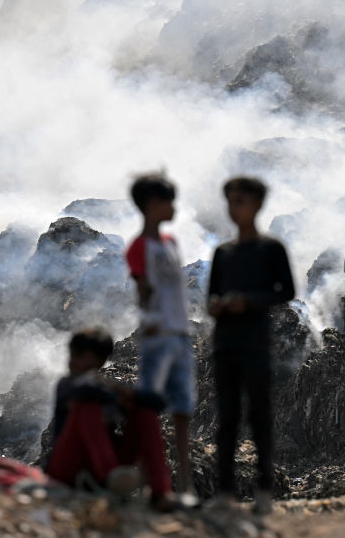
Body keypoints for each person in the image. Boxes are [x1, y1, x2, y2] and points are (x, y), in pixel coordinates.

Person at [207, 176, 295, 515]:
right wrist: (218, 306)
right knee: (227, 418)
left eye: (240, 201)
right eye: (230, 201)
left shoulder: (271, 249)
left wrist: (250, 302)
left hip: (256, 342)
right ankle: (225, 493)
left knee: (260, 416)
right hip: (225, 343)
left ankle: (263, 491)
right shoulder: (222, 253)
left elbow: (285, 291)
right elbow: (211, 298)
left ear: (258, 204)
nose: (234, 208)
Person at [44, 327, 177, 511]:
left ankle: (160, 491)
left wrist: (129, 397)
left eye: (81, 354)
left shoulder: (107, 387)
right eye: (72, 353)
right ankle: (110, 476)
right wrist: (119, 395)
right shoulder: (67, 385)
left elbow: (156, 403)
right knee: (87, 407)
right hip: (68, 465)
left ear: (99, 360)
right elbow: (85, 392)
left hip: (103, 466)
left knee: (144, 413)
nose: (73, 359)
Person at [125, 173, 197, 502]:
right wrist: (150, 320)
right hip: (158, 335)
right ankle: (151, 481)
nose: (173, 207)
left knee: (182, 407)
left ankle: (183, 482)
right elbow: (143, 290)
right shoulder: (141, 247)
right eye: (168, 201)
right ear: (153, 205)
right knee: (149, 407)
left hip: (179, 333)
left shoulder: (170, 244)